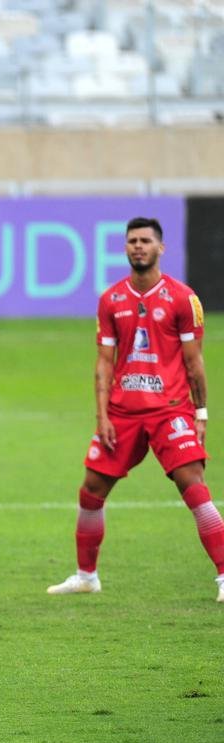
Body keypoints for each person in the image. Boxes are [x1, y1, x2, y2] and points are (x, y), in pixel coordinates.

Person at [48, 217, 224, 602]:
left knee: (192, 484)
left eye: (145, 241)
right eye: (132, 241)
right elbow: (104, 363)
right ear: (125, 248)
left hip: (169, 410)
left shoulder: (183, 299)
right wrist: (102, 415)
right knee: (91, 491)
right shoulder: (111, 299)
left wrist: (201, 414)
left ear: (161, 248)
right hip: (123, 413)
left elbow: (195, 363)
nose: (138, 246)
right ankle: (86, 576)